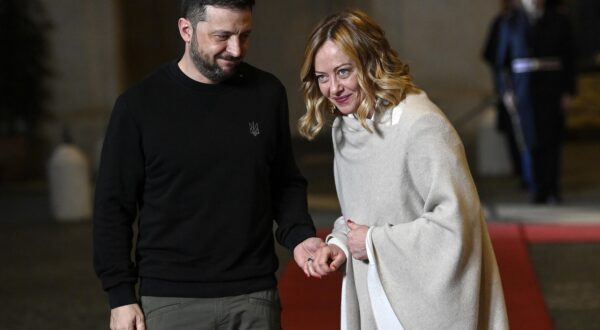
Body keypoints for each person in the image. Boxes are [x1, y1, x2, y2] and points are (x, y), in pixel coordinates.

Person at [93, 1, 322, 329]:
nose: (235, 48)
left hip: (255, 295)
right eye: (222, 36)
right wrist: (120, 296)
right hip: (170, 300)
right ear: (186, 30)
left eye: (244, 35)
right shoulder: (138, 106)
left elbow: (284, 181)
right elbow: (112, 208)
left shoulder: (267, 93)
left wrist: (300, 236)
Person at [297, 9, 508, 329]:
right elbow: (362, 215)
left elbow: (456, 226)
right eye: (322, 77)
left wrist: (374, 242)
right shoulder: (346, 129)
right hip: (375, 292)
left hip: (421, 305)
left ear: (371, 63)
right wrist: (339, 244)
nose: (333, 89)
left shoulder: (420, 124)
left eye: (343, 72)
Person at [495, 0, 576, 204]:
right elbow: (501, 62)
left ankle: (553, 188)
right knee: (531, 140)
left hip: (552, 88)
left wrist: (568, 90)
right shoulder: (510, 22)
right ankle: (537, 188)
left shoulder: (559, 20)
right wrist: (506, 92)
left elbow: (569, 57)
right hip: (524, 89)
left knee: (552, 140)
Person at [482, 0, 524, 186]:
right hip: (509, 86)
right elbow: (492, 55)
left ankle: (529, 176)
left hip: (526, 87)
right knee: (513, 133)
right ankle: (521, 172)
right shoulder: (502, 22)